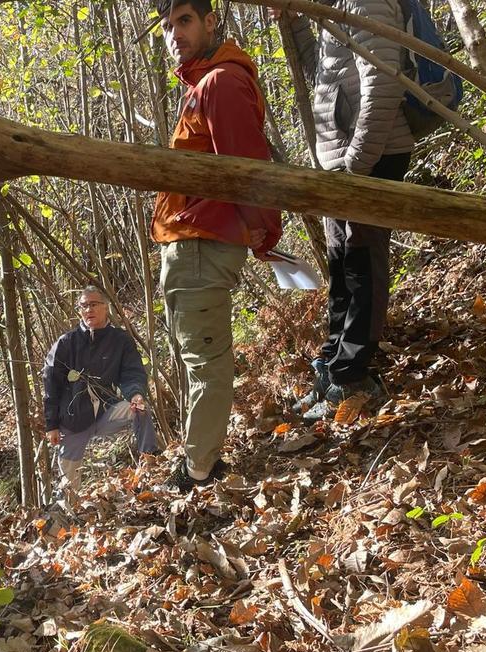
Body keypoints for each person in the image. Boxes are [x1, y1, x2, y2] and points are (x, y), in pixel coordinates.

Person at [152, 0, 282, 490]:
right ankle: (199, 459)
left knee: (207, 366)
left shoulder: (220, 82)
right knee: (198, 361)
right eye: (167, 27)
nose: (174, 34)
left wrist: (264, 229)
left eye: (184, 21)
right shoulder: (204, 84)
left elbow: (248, 169)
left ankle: (198, 472)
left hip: (201, 247)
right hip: (192, 244)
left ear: (211, 22)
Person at [275, 1, 412, 421]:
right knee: (342, 266)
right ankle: (332, 366)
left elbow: (383, 84)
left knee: (362, 265)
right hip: (344, 163)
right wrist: (295, 24)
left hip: (371, 158)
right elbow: (326, 73)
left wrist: (356, 164)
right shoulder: (334, 8)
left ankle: (352, 378)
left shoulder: (364, 2)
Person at [43, 287, 155, 495]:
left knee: (140, 409)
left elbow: (132, 372)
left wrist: (136, 394)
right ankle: (67, 519)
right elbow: (51, 384)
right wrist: (52, 425)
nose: (88, 310)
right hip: (73, 421)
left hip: (106, 412)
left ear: (106, 307)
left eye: (93, 304)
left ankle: (149, 467)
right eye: (83, 306)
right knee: (68, 487)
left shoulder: (119, 340)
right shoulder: (67, 343)